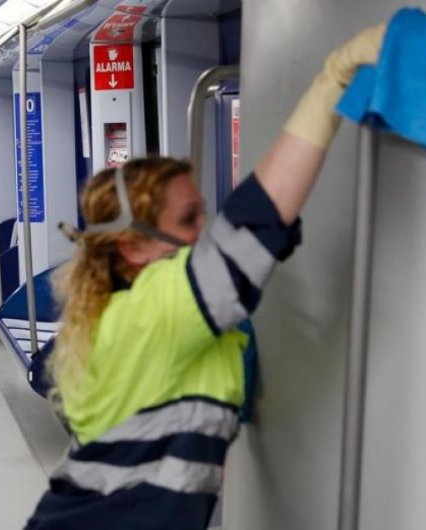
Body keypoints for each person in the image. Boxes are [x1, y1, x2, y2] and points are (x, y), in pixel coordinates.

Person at [24, 24, 385, 529]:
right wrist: (332, 79)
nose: (206, 231)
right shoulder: (150, 310)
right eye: (190, 220)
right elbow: (255, 223)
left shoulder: (133, 315)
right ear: (133, 245)